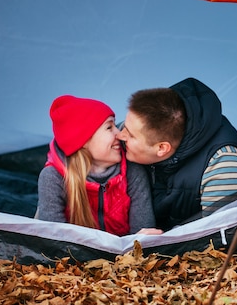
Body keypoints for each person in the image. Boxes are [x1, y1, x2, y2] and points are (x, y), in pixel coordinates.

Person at [117, 77, 237, 231]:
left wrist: (160, 243)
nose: (119, 135)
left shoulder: (224, 163)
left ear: (162, 148)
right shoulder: (144, 125)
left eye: (130, 135)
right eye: (124, 127)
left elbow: (222, 239)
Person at [36, 94, 162, 235]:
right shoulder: (53, 178)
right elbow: (54, 240)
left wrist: (139, 242)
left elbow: (143, 230)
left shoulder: (132, 171)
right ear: (83, 141)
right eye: (109, 127)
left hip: (127, 255)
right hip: (75, 255)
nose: (119, 134)